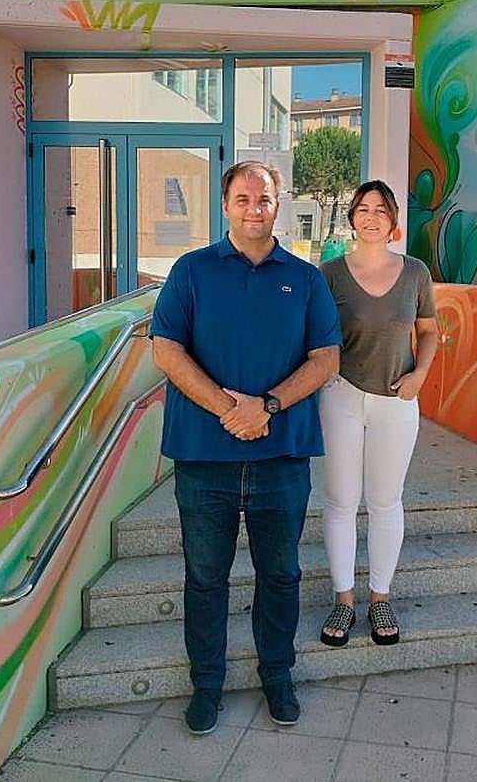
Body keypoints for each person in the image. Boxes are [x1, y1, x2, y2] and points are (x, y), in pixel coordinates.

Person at [150, 160, 340, 735]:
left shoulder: (306, 279)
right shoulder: (191, 271)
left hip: (281, 457)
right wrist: (229, 409)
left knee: (280, 575)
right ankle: (206, 684)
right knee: (205, 577)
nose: (255, 208)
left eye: (264, 199)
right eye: (243, 199)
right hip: (204, 457)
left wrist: (268, 407)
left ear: (278, 204)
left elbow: (326, 359)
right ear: (225, 205)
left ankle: (276, 676)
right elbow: (165, 349)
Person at [317, 181, 439, 648]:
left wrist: (421, 374)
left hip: (398, 400)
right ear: (352, 217)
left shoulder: (415, 274)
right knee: (342, 501)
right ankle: (344, 600)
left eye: (380, 210)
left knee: (386, 501)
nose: (370, 217)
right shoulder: (328, 274)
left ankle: (380, 596)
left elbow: (428, 331)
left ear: (393, 221)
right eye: (362, 209)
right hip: (341, 395)